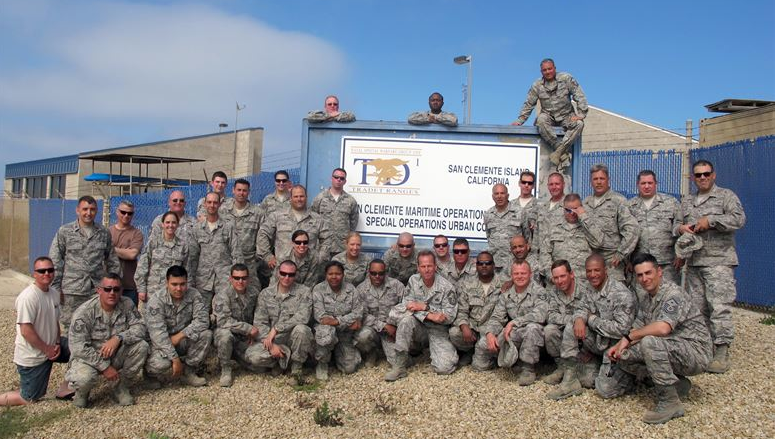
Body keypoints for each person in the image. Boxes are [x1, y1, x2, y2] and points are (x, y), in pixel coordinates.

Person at [596, 253, 712, 424]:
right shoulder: (646, 298)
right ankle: (673, 384)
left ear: (659, 272)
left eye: (648, 273)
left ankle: (670, 402)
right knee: (624, 352)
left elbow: (663, 328)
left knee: (650, 342)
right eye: (640, 275)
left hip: (695, 352)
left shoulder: (673, 294)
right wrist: (620, 346)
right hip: (670, 348)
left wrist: (630, 337)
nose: (644, 279)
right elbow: (637, 327)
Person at [677, 160, 746, 373]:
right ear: (693, 178)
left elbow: (739, 219)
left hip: (718, 261)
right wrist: (681, 228)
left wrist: (712, 220)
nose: (703, 178)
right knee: (697, 308)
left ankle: (722, 349)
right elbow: (677, 223)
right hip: (695, 262)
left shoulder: (726, 196)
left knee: (719, 306)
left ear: (713, 175)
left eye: (706, 174)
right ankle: (703, 347)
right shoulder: (687, 201)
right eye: (698, 175)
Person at [547, 254, 635, 400]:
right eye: (589, 271)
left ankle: (635, 377)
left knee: (604, 389)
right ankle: (569, 380)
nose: (592, 275)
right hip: (597, 342)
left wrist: (591, 319)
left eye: (596, 270)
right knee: (572, 325)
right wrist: (580, 318)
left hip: (615, 348)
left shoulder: (621, 294)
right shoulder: (589, 288)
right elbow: (581, 308)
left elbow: (622, 330)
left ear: (605, 270)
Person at [66, 273, 148, 408]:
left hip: (116, 354)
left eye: (116, 289)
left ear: (121, 291)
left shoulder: (127, 304)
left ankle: (120, 387)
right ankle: (82, 392)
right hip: (90, 359)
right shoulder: (84, 313)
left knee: (141, 346)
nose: (112, 293)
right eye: (107, 289)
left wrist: (118, 338)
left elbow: (140, 327)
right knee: (83, 379)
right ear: (99, 290)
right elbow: (78, 347)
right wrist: (104, 367)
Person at [0, 257, 70, 406]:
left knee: (80, 348)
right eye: (41, 271)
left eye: (50, 270)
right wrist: (47, 349)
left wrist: (57, 343)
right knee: (29, 397)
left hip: (52, 347)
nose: (47, 273)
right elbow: (25, 330)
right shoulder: (28, 297)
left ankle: (67, 388)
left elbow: (54, 322)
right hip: (33, 356)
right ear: (34, 274)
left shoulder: (54, 293)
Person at [49, 195, 121, 333]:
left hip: (96, 291)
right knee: (72, 328)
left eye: (92, 209)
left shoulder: (103, 233)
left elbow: (112, 260)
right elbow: (55, 260)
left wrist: (113, 286)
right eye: (85, 209)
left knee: (97, 327)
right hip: (72, 290)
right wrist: (56, 288)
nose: (88, 213)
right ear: (77, 210)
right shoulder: (65, 231)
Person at [384, 251, 458, 381]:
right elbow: (407, 305)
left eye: (429, 266)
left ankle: (432, 351)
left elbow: (449, 316)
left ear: (435, 266)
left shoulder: (446, 286)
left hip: (438, 329)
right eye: (423, 266)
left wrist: (426, 307)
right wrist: (430, 315)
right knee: (406, 320)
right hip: (418, 325)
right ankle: (399, 367)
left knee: (445, 368)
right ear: (418, 268)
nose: (427, 269)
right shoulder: (413, 280)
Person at [479, 260, 547, 386]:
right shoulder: (506, 295)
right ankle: (510, 360)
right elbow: (497, 317)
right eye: (516, 274)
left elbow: (541, 315)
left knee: (532, 328)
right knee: (483, 345)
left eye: (523, 273)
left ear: (530, 274)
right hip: (515, 334)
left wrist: (515, 322)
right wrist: (490, 333)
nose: (519, 276)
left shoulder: (539, 292)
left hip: (538, 338)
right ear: (511, 275)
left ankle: (528, 368)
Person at [511, 58, 587, 166]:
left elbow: (579, 95)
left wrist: (581, 113)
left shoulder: (566, 78)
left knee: (579, 124)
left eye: (550, 69)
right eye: (544, 70)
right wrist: (520, 121)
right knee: (541, 120)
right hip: (548, 116)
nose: (547, 72)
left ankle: (558, 153)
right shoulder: (537, 85)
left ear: (555, 68)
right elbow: (529, 104)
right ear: (541, 72)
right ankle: (560, 151)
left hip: (566, 115)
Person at [144, 265, 211, 388]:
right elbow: (158, 336)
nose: (179, 288)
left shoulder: (194, 294)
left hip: (182, 339)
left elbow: (203, 320)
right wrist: (175, 359)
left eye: (182, 284)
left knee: (205, 335)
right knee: (159, 364)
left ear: (187, 282)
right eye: (174, 284)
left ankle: (189, 372)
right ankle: (149, 375)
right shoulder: (156, 301)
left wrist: (180, 336)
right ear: (166, 283)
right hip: (161, 343)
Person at [247, 260, 314, 375]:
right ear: (278, 273)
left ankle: (296, 367)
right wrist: (272, 345)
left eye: (291, 274)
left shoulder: (304, 292)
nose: (286, 277)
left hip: (293, 339)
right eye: (283, 273)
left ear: (295, 275)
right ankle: (279, 361)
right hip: (272, 340)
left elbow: (303, 317)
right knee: (252, 356)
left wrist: (277, 328)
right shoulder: (265, 294)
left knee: (302, 330)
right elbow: (260, 323)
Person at [189, 192, 243, 316]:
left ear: (219, 204)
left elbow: (237, 253)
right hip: (202, 280)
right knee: (201, 315)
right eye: (209, 202)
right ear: (204, 204)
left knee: (223, 315)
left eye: (215, 202)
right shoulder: (197, 229)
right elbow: (192, 258)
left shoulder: (228, 227)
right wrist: (190, 281)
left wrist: (236, 278)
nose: (212, 205)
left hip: (224, 280)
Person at [583, 164, 639, 282]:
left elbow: (632, 229)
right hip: (591, 264)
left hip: (612, 265)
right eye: (595, 179)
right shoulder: (586, 203)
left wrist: (621, 253)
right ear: (590, 181)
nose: (598, 182)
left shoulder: (619, 201)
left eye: (602, 178)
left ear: (608, 180)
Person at [627, 170, 683, 284]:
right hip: (640, 264)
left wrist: (681, 254)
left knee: (669, 297)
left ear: (656, 184)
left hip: (667, 264)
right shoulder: (630, 206)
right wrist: (627, 260)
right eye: (643, 183)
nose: (647, 186)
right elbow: (625, 234)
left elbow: (680, 228)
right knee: (643, 299)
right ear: (638, 185)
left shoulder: (671, 203)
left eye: (650, 183)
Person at [450, 251, 503, 369]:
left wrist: (491, 332)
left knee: (479, 366)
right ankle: (470, 351)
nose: (484, 266)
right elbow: (461, 309)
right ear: (476, 265)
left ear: (494, 265)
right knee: (454, 333)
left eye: (488, 263)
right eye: (480, 263)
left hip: (491, 329)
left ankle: (491, 357)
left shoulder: (502, 285)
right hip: (473, 327)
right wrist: (464, 326)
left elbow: (502, 315)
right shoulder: (467, 284)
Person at [258, 184, 330, 270]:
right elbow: (263, 234)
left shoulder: (317, 219)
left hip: (309, 271)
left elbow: (327, 239)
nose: (299, 199)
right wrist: (268, 256)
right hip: (283, 271)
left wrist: (320, 258)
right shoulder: (277, 216)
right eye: (296, 196)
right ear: (290, 198)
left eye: (301, 196)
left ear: (306, 197)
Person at [312, 261, 364, 380]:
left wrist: (337, 321)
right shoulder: (318, 289)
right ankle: (322, 364)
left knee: (349, 369)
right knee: (326, 332)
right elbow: (321, 317)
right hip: (326, 332)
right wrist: (346, 321)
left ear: (343, 274)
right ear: (326, 275)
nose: (334, 276)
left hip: (345, 334)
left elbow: (358, 312)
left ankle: (337, 356)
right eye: (331, 274)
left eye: (338, 273)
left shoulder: (351, 289)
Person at [541, 260, 588, 387]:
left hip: (584, 338)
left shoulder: (585, 290)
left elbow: (590, 315)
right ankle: (562, 367)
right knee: (549, 330)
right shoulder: (553, 292)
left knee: (588, 382)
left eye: (563, 276)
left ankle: (579, 368)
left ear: (571, 274)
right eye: (556, 278)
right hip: (565, 337)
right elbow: (551, 316)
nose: (559, 281)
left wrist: (579, 322)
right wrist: (574, 321)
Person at [213, 263, 260, 387]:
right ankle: (225, 368)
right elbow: (223, 321)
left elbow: (259, 315)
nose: (240, 281)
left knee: (259, 366)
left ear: (248, 279)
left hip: (247, 338)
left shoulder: (254, 293)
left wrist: (254, 331)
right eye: (237, 278)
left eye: (244, 278)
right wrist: (248, 328)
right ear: (230, 279)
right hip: (230, 334)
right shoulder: (222, 295)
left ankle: (238, 357)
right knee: (224, 335)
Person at [354, 259, 406, 367]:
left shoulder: (396, 285)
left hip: (392, 330)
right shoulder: (360, 289)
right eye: (374, 273)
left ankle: (390, 350)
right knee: (363, 336)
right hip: (373, 329)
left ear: (385, 272)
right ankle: (371, 352)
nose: (377, 276)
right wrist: (384, 326)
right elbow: (362, 315)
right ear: (369, 272)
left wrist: (396, 326)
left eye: (381, 273)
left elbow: (405, 306)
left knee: (399, 363)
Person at [539, 193, 602, 281]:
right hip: (558, 281)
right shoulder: (553, 226)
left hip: (583, 282)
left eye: (575, 209)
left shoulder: (589, 225)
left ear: (581, 208)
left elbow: (598, 243)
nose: (572, 213)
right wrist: (552, 276)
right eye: (568, 210)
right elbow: (544, 253)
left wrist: (583, 216)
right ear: (563, 209)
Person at [219, 178, 265, 292]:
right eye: (239, 190)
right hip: (227, 261)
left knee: (253, 292)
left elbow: (263, 237)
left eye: (244, 190)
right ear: (233, 190)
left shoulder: (258, 213)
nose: (241, 193)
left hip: (249, 261)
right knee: (226, 292)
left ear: (249, 192)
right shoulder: (222, 210)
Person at [134, 211, 190, 303]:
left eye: (173, 222)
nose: (170, 225)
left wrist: (185, 290)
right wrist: (141, 289)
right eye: (167, 222)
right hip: (153, 292)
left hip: (174, 292)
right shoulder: (153, 242)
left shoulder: (183, 245)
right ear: (162, 224)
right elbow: (142, 266)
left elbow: (186, 269)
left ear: (177, 225)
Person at [311, 168, 359, 257]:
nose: (338, 180)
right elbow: (313, 220)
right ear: (331, 178)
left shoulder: (350, 201)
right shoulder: (320, 198)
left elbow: (353, 223)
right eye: (336, 177)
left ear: (345, 181)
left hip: (342, 248)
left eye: (342, 178)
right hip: (323, 247)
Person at [483, 184, 527, 272]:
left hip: (515, 264)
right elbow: (489, 237)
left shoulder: (520, 212)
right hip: (495, 264)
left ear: (507, 195)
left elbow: (527, 237)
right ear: (492, 197)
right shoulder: (488, 214)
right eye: (496, 194)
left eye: (502, 193)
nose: (499, 196)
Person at [109, 200, 144, 306]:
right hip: (109, 286)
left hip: (129, 286)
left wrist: (110, 249)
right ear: (117, 212)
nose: (126, 215)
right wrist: (124, 251)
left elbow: (132, 254)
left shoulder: (137, 234)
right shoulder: (107, 232)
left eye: (130, 213)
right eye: (123, 212)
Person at [536, 172, 567, 256]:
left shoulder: (569, 206)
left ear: (563, 185)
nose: (554, 187)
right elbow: (537, 234)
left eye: (557, 184)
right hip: (543, 256)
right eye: (551, 184)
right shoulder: (542, 208)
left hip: (561, 256)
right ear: (548, 186)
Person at [511, 171, 539, 245]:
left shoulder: (540, 206)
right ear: (519, 183)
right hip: (513, 251)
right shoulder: (510, 205)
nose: (526, 185)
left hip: (532, 251)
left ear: (534, 185)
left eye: (530, 183)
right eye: (524, 182)